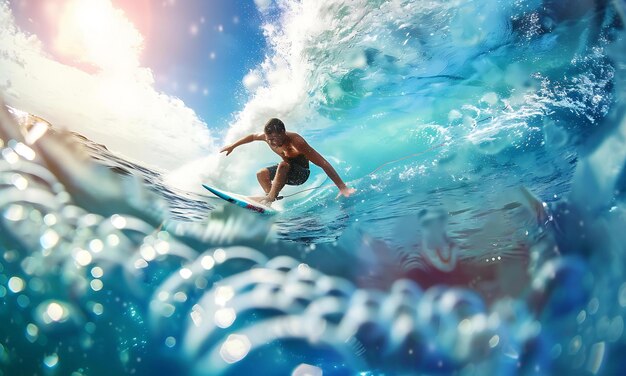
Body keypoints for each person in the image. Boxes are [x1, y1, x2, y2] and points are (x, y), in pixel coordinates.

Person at [220, 118, 356, 206]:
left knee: (283, 165)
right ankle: (270, 198)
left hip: (301, 175)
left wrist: (342, 187)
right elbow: (253, 137)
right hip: (286, 171)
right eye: (268, 139)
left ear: (283, 133)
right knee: (261, 174)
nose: (271, 142)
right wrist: (233, 145)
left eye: (273, 139)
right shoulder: (268, 138)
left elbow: (323, 163)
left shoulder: (297, 142)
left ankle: (269, 198)